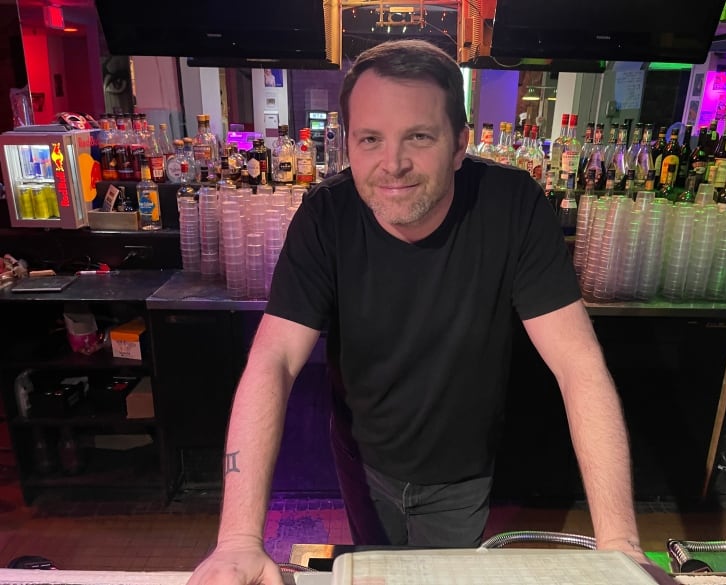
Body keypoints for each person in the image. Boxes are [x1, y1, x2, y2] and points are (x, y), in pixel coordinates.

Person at [187, 39, 673, 585]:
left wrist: (619, 545)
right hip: (362, 455)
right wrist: (236, 541)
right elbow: (272, 360)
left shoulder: (512, 206)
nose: (392, 164)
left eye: (418, 136)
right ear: (349, 142)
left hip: (461, 470)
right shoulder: (327, 215)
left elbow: (579, 366)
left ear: (460, 144)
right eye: (370, 139)